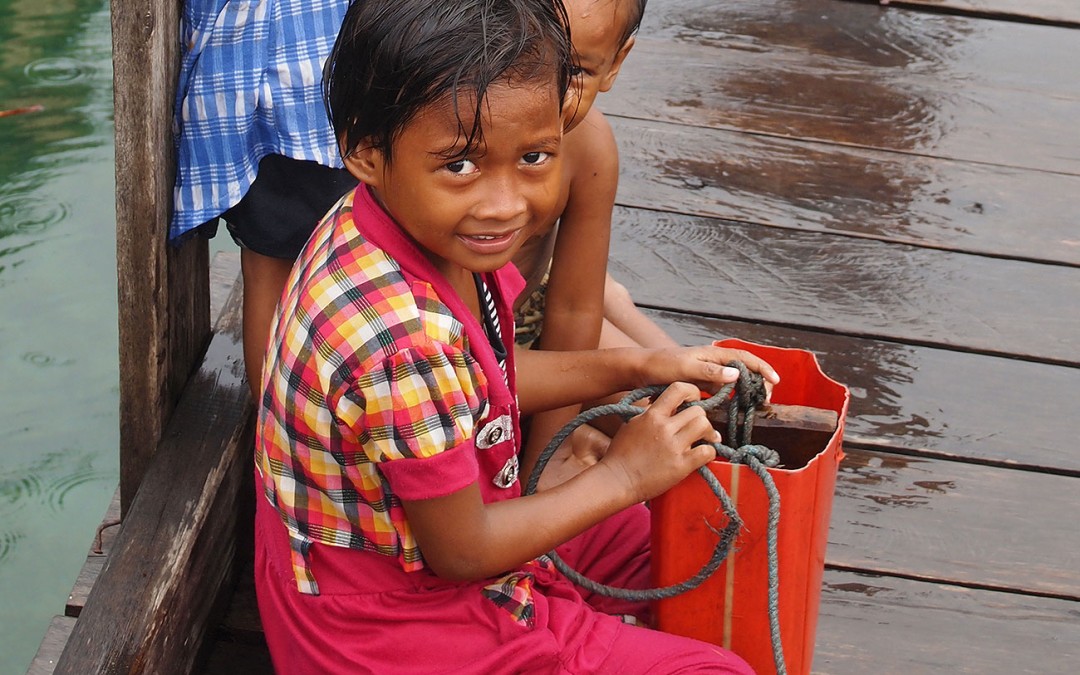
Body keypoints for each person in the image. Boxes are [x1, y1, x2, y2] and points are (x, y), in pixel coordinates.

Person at [254, 0, 770, 671]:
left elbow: (487, 372)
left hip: (402, 558)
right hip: (389, 624)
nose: (506, 204)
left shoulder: (402, 223)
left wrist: (645, 363)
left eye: (533, 156)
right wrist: (623, 475)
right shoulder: (399, 340)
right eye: (462, 166)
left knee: (692, 549)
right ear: (365, 150)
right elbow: (463, 551)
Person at [170, 0, 355, 396]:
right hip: (329, 83)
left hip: (248, 93)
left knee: (266, 269)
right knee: (362, 261)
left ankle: (274, 432)